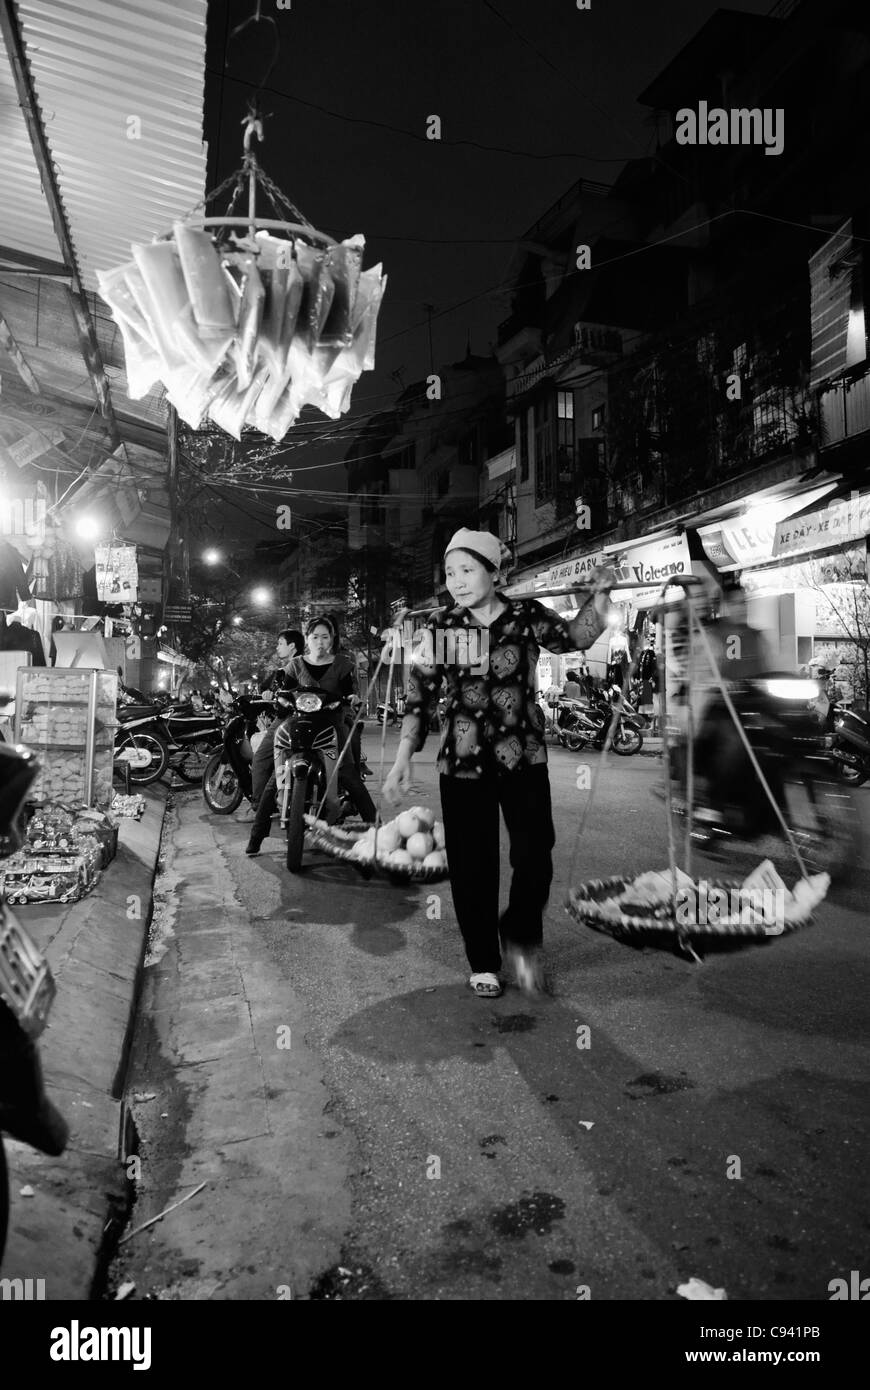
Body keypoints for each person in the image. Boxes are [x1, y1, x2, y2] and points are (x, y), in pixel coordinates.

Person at [382, 527, 613, 998]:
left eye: (468, 570)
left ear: (493, 571)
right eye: (450, 572)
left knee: (535, 857)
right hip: (462, 766)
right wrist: (403, 756)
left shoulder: (525, 616)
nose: (458, 581)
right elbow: (419, 699)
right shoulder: (442, 628)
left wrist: (602, 594)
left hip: (524, 758)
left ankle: (522, 939)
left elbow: (576, 636)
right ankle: (484, 961)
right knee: (472, 865)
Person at [246, 617, 375, 855]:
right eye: (315, 637)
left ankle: (376, 833)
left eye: (325, 636)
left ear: (332, 639)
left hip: (332, 723)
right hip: (298, 723)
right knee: (277, 777)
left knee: (347, 772)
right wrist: (280, 700)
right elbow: (285, 692)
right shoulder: (295, 665)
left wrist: (352, 699)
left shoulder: (342, 665)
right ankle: (256, 836)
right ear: (307, 639)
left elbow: (349, 693)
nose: (320, 642)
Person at [249, 629, 305, 817]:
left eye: (280, 643)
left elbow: (283, 695)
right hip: (308, 719)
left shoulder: (294, 666)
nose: (277, 647)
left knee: (261, 758)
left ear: (292, 646)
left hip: (289, 719)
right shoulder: (306, 664)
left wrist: (273, 695)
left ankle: (259, 808)